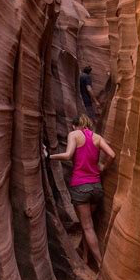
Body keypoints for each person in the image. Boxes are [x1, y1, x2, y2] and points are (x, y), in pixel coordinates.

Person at [49, 114, 115, 268]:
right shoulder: (97, 137)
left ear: (74, 125)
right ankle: (85, 256)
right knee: (88, 224)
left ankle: (101, 264)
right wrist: (103, 167)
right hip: (96, 187)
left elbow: (67, 155)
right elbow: (111, 154)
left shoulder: (74, 134)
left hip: (80, 187)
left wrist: (49, 156)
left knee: (87, 226)